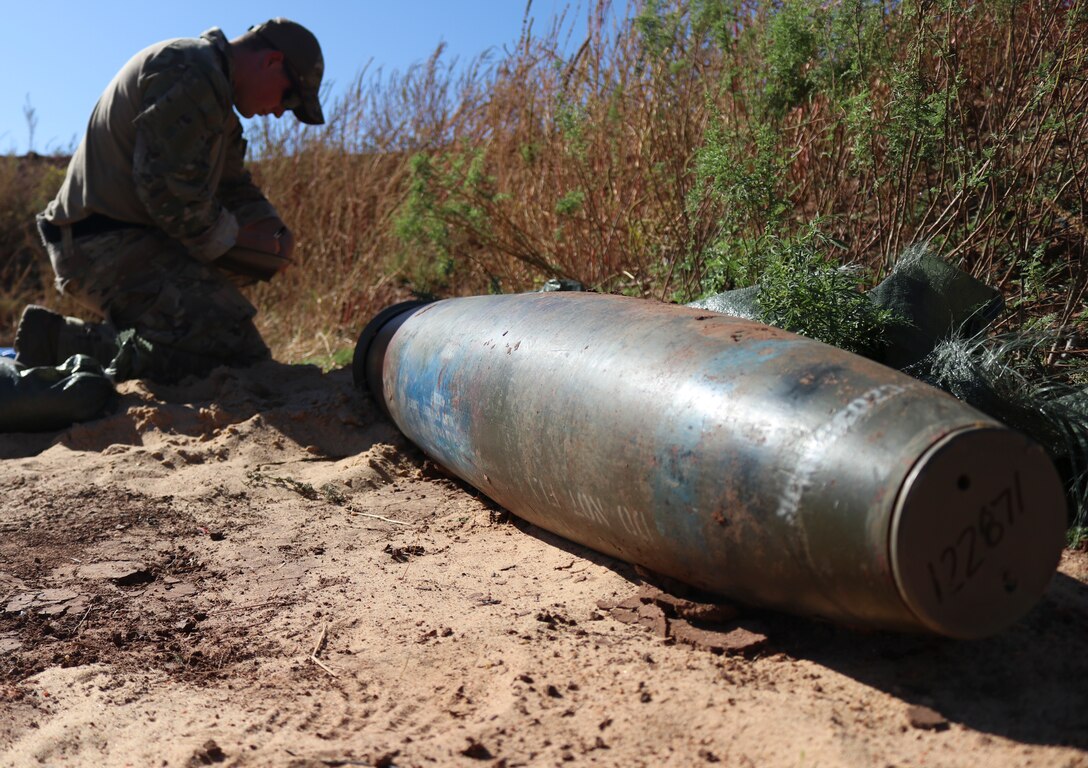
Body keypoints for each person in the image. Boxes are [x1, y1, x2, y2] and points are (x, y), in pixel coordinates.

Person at [14, 19, 324, 382]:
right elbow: (167, 192)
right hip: (101, 244)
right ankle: (64, 342)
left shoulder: (214, 91)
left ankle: (65, 340)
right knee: (237, 351)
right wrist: (239, 239)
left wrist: (271, 229)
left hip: (124, 239)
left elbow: (231, 183)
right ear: (272, 61)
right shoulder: (190, 70)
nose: (278, 112)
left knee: (227, 340)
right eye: (288, 98)